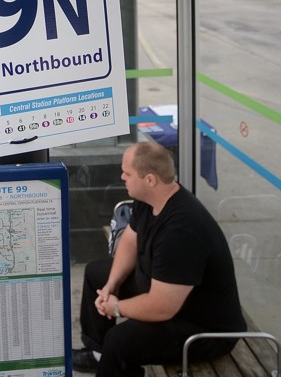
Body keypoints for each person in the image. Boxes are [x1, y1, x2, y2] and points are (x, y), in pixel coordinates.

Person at [72, 141, 246, 376]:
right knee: (96, 275)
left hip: (202, 327)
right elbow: (130, 241)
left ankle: (112, 358)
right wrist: (111, 285)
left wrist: (116, 307)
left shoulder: (181, 231)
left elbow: (162, 307)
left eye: (127, 173)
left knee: (119, 341)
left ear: (150, 179)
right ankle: (98, 354)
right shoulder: (150, 199)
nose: (121, 176)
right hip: (164, 292)